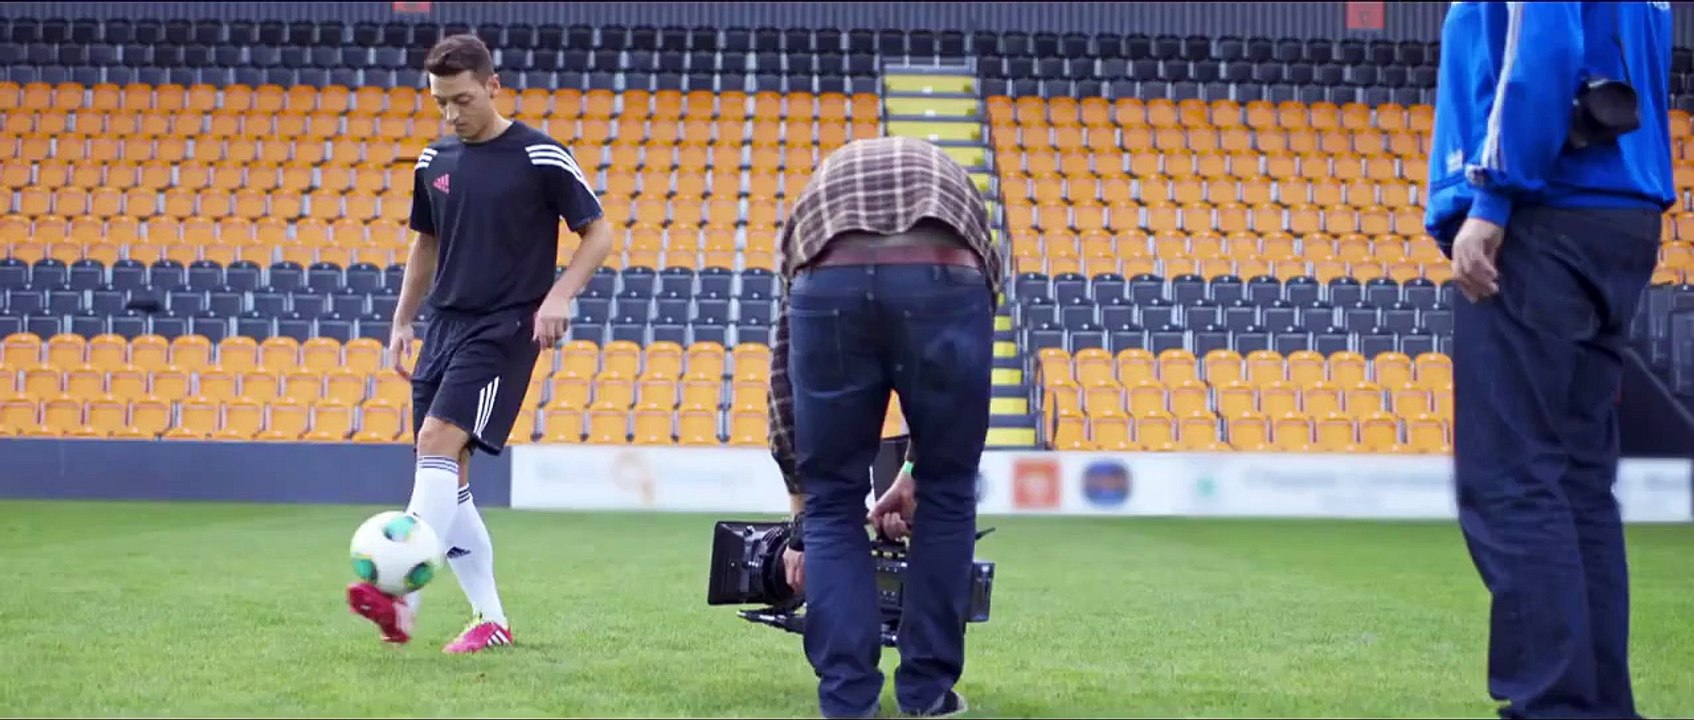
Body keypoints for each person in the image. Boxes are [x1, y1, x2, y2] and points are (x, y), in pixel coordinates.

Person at [1425, 3, 1674, 718]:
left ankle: (1552, 707)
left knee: (1512, 478)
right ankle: (1598, 708)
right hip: (1620, 211)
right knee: (1577, 484)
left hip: (1545, 210)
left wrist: (1493, 199)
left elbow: (1543, 42)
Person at [344, 33, 614, 654]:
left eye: (462, 99)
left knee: (436, 442)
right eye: (441, 102)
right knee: (450, 477)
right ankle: (490, 619)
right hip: (444, 324)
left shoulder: (542, 156)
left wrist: (558, 295)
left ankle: (397, 596)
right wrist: (403, 320)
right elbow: (425, 245)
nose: (452, 114)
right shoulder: (433, 161)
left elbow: (597, 234)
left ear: (493, 87)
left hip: (505, 328)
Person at [768, 136, 1002, 719]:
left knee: (833, 505)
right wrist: (923, 469)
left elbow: (782, 364)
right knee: (948, 497)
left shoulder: (818, 193)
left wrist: (802, 503)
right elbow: (980, 306)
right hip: (946, 275)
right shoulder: (953, 184)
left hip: (830, 280)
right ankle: (927, 697)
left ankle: (847, 701)